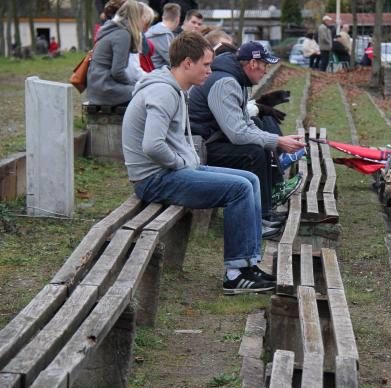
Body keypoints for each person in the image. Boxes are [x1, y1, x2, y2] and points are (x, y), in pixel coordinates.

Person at [123, 31, 275, 294]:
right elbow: (152, 145)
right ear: (187, 63)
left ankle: (248, 264)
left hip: (168, 171)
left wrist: (186, 162)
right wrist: (182, 163)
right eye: (205, 64)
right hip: (154, 179)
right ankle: (235, 274)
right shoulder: (164, 92)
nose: (210, 69)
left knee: (249, 180)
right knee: (239, 188)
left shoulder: (175, 89)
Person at [188, 42, 305, 227]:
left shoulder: (237, 80)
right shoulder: (225, 83)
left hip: (211, 141)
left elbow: (247, 123)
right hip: (198, 149)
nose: (266, 71)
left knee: (260, 137)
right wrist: (277, 140)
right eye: (265, 65)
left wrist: (272, 140)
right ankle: (259, 218)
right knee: (254, 152)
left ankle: (265, 212)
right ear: (252, 63)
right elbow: (237, 134)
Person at [87, 0, 144, 106]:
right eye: (142, 17)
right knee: (144, 92)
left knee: (141, 89)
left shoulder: (113, 29)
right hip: (105, 88)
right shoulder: (122, 35)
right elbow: (117, 72)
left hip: (96, 87)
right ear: (135, 17)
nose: (142, 21)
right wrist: (133, 84)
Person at [145, 2, 180, 68]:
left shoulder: (151, 30)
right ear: (177, 19)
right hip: (158, 74)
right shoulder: (165, 35)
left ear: (163, 17)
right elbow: (173, 61)